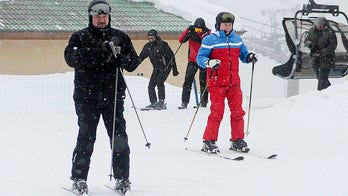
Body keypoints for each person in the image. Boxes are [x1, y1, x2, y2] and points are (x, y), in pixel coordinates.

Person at [64, 0, 140, 194]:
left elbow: (133, 62)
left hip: (113, 97)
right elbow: (71, 59)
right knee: (86, 139)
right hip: (86, 97)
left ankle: (122, 178)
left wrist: (122, 59)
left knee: (119, 139)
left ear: (109, 17)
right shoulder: (80, 37)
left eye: (104, 16)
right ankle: (79, 178)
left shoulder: (120, 37)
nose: (101, 19)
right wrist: (99, 52)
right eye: (97, 16)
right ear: (91, 17)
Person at [196, 12, 257, 154]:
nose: (227, 28)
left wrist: (249, 57)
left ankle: (237, 140)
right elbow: (200, 58)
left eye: (229, 25)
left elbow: (243, 55)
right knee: (217, 112)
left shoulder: (237, 39)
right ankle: (209, 141)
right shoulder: (209, 40)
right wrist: (208, 62)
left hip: (234, 83)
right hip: (217, 82)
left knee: (237, 112)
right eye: (225, 25)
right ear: (218, 25)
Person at [138, 29, 179, 110]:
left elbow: (171, 57)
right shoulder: (148, 47)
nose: (151, 40)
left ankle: (161, 101)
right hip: (156, 68)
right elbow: (141, 57)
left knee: (159, 82)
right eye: (149, 38)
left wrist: (175, 69)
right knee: (151, 85)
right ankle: (153, 102)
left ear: (156, 37)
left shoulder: (163, 45)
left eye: (152, 38)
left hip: (165, 67)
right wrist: (134, 63)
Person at [178, 18, 211, 109]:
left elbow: (211, 44)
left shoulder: (208, 33)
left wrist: (202, 36)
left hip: (204, 61)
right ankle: (184, 102)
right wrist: (188, 30)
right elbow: (181, 40)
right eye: (196, 29)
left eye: (199, 30)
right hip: (192, 61)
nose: (198, 31)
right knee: (187, 82)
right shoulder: (191, 32)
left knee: (203, 82)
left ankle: (203, 103)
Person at [304, 17, 337, 91]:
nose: (319, 28)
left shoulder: (330, 32)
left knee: (322, 78)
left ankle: (320, 94)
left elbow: (333, 46)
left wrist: (322, 52)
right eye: (318, 26)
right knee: (320, 78)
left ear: (324, 25)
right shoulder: (312, 31)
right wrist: (310, 45)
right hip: (315, 59)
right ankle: (332, 91)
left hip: (327, 59)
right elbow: (306, 41)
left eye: (321, 26)